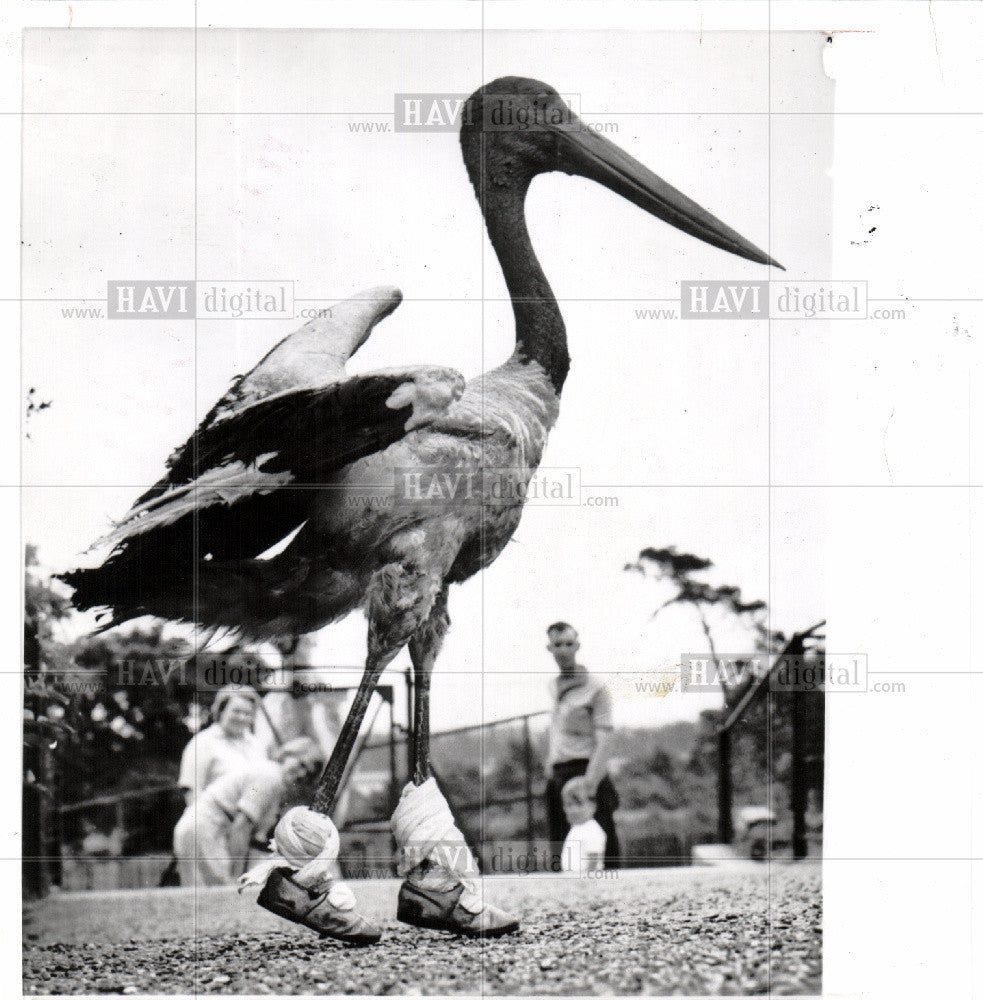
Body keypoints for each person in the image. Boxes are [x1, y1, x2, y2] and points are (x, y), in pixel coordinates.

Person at [173, 737, 322, 887]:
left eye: (308, 773)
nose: (302, 773)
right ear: (287, 754)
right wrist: (237, 875)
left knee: (205, 897)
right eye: (301, 764)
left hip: (201, 828)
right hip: (205, 829)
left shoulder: (272, 777)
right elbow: (241, 827)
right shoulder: (270, 777)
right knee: (222, 894)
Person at [543, 622, 621, 868]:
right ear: (550, 648)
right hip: (559, 772)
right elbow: (556, 731)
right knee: (560, 845)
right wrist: (550, 764)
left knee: (603, 843)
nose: (563, 650)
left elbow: (606, 737)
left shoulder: (595, 687)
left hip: (586, 770)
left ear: (577, 646)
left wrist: (591, 783)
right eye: (557, 645)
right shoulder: (552, 687)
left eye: (568, 644)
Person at [178, 683, 269, 805]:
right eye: (236, 711)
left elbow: (260, 785)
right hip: (211, 818)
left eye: (247, 713)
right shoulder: (202, 742)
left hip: (248, 819)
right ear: (221, 711)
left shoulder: (256, 745)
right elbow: (191, 790)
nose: (242, 718)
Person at [560, 779, 606, 873]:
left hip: (586, 881)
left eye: (579, 804)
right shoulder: (576, 829)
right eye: (569, 805)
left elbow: (593, 860)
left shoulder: (592, 829)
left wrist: (587, 880)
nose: (573, 810)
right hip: (572, 880)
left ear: (593, 806)